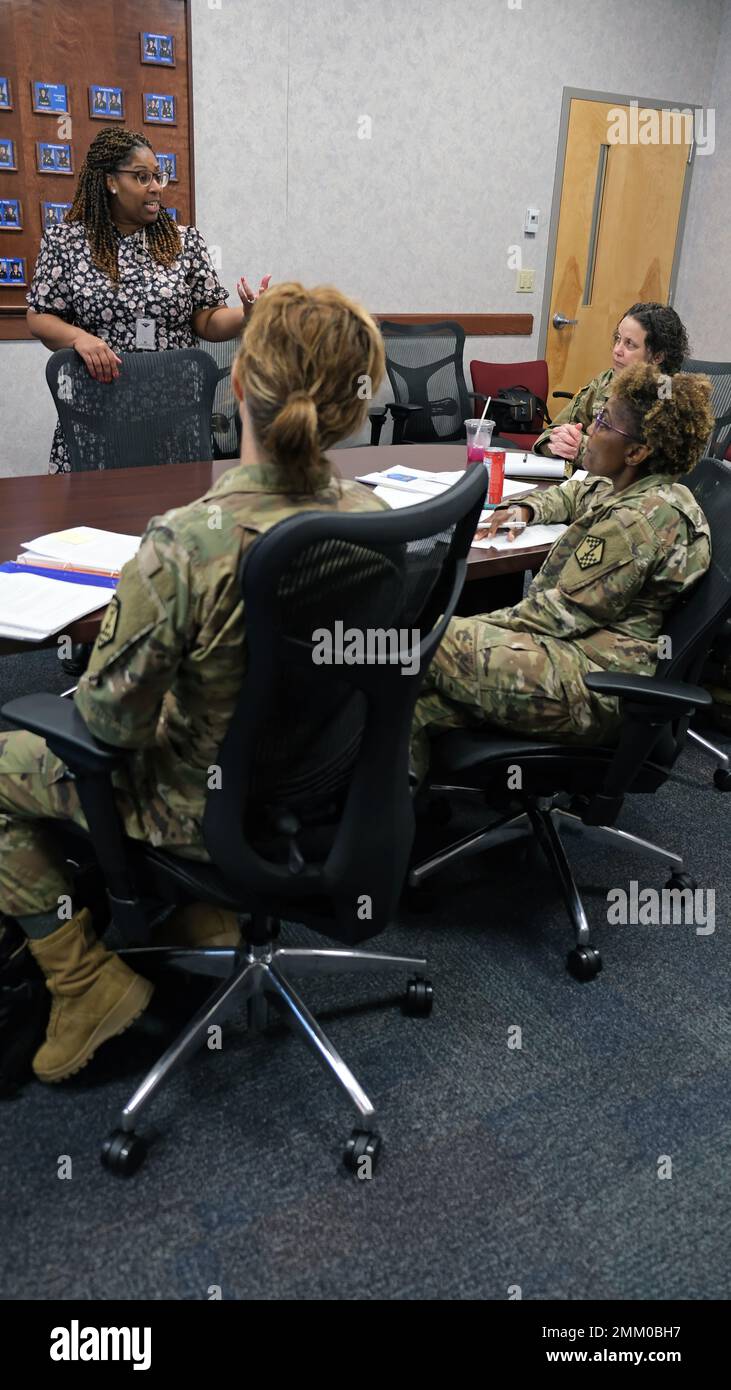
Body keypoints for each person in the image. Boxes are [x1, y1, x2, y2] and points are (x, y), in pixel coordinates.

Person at [0, 281, 388, 1084]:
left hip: (194, 799)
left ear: (238, 383)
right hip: (321, 783)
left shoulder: (186, 540)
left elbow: (107, 727)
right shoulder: (377, 513)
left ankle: (84, 984)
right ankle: (204, 911)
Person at [411, 364, 714, 780]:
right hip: (572, 654)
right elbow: (575, 492)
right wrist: (526, 508)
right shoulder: (635, 484)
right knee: (413, 707)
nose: (589, 426)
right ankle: (385, 823)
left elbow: (556, 616)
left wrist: (462, 626)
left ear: (637, 452)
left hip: (593, 685)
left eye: (604, 422)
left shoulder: (637, 522)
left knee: (415, 646)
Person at [27, 126, 270, 473]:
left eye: (158, 176)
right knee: (97, 516)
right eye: (142, 177)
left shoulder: (185, 242)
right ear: (111, 182)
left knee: (174, 512)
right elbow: (40, 316)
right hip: (99, 412)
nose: (156, 187)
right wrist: (80, 338)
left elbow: (207, 320)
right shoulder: (65, 242)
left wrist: (249, 314)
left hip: (172, 415)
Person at [533, 303, 690, 470]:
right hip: (586, 484)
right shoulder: (606, 380)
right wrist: (561, 441)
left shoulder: (666, 393)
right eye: (618, 339)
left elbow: (645, 466)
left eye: (630, 344)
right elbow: (548, 436)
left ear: (657, 356)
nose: (617, 350)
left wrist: (582, 448)